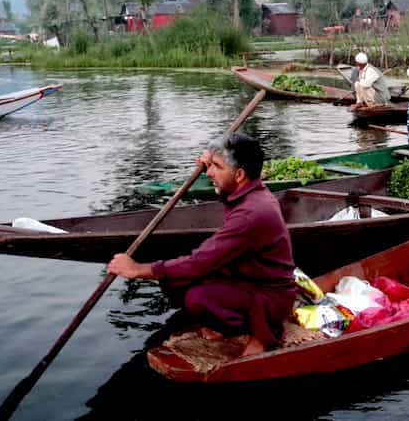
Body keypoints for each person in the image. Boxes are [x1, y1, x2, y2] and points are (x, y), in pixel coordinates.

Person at [108, 132, 296, 357]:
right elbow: (231, 193)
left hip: (269, 297)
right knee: (174, 282)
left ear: (239, 174)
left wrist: (137, 270)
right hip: (248, 277)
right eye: (211, 165)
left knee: (196, 297)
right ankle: (229, 323)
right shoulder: (251, 191)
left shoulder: (252, 213)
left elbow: (199, 263)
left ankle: (257, 332)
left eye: (216, 166)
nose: (209, 173)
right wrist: (215, 161)